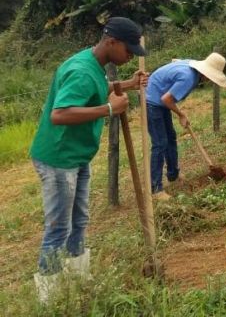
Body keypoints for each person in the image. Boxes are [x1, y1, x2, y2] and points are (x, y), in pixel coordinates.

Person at [30, 17, 147, 302]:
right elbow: (60, 114)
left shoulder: (92, 63)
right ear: (111, 42)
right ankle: (51, 298)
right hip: (59, 158)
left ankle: (77, 280)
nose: (130, 55)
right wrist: (109, 109)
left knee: (80, 220)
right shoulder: (82, 70)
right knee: (59, 227)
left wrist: (127, 84)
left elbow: (97, 87)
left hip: (77, 155)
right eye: (128, 50)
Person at [146, 53, 226, 200]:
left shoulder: (192, 67)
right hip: (152, 100)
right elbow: (166, 99)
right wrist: (181, 114)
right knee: (160, 143)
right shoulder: (188, 78)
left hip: (160, 97)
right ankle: (156, 189)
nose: (210, 81)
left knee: (170, 138)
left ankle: (173, 175)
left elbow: (174, 64)